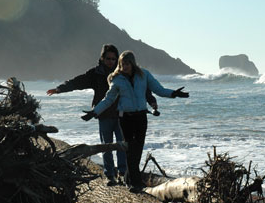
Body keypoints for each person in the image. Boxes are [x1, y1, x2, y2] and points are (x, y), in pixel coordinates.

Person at [47, 44, 158, 186]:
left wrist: (152, 101)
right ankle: (110, 175)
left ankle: (123, 174)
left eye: (113, 58)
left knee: (123, 146)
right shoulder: (96, 73)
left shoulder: (124, 73)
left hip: (122, 115)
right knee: (106, 146)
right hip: (104, 115)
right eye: (108, 58)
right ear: (102, 58)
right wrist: (60, 89)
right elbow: (77, 82)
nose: (111, 61)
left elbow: (141, 90)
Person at [81, 50, 189, 193]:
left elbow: (158, 89)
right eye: (122, 64)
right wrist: (95, 112)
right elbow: (109, 99)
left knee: (137, 150)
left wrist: (173, 94)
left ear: (133, 63)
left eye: (127, 64)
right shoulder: (117, 79)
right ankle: (135, 183)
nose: (124, 66)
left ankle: (128, 178)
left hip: (141, 117)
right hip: (125, 118)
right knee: (130, 149)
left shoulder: (144, 75)